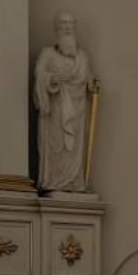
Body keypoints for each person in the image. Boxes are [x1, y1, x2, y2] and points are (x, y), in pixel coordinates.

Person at [33, 11, 97, 193]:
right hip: (55, 111)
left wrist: (93, 85)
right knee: (57, 146)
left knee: (73, 149)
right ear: (57, 29)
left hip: (77, 112)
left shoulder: (82, 57)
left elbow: (90, 80)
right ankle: (55, 181)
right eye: (63, 25)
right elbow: (39, 75)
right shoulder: (48, 54)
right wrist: (51, 79)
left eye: (70, 25)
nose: (67, 28)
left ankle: (74, 181)